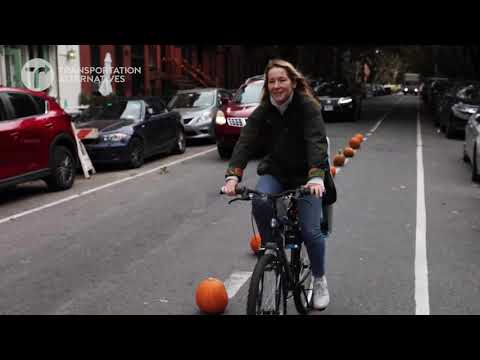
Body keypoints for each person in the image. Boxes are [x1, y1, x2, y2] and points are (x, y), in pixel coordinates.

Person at [221, 59, 335, 310]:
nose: (276, 85)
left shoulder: (307, 107)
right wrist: (233, 176)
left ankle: (319, 279)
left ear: (293, 82)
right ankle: (271, 249)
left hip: (307, 175)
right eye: (271, 81)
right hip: (277, 171)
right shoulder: (264, 111)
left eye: (281, 80)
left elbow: (316, 141)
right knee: (260, 200)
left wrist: (316, 176)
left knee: (310, 230)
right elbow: (246, 142)